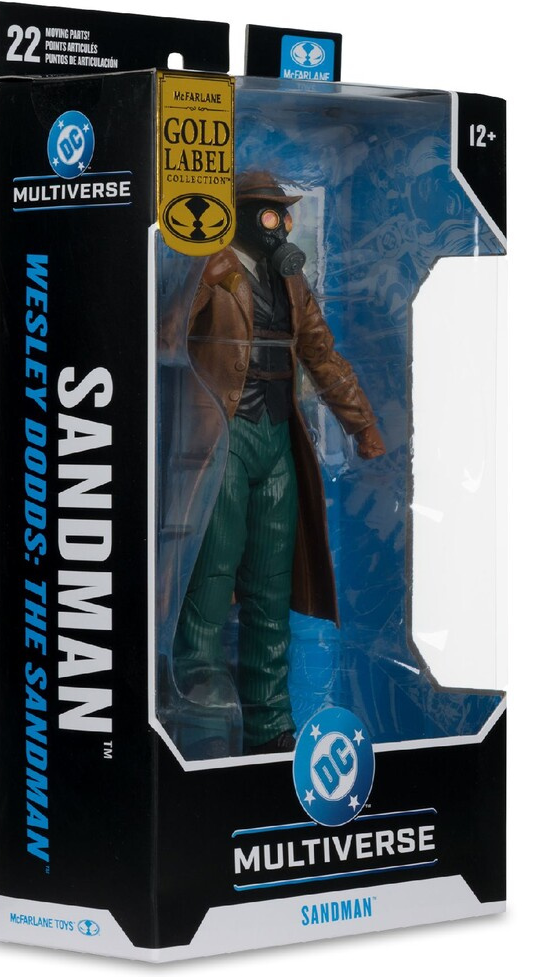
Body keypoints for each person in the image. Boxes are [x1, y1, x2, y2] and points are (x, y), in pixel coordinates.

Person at [172, 170, 385, 755]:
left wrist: (363, 427)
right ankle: (200, 717)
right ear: (240, 215)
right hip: (224, 436)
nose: (281, 226)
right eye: (269, 214)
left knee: (270, 590)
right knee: (210, 580)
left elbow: (322, 354)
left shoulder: (290, 282)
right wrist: (197, 283)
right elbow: (162, 340)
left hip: (275, 438)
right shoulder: (213, 268)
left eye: (285, 215)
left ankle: (270, 726)